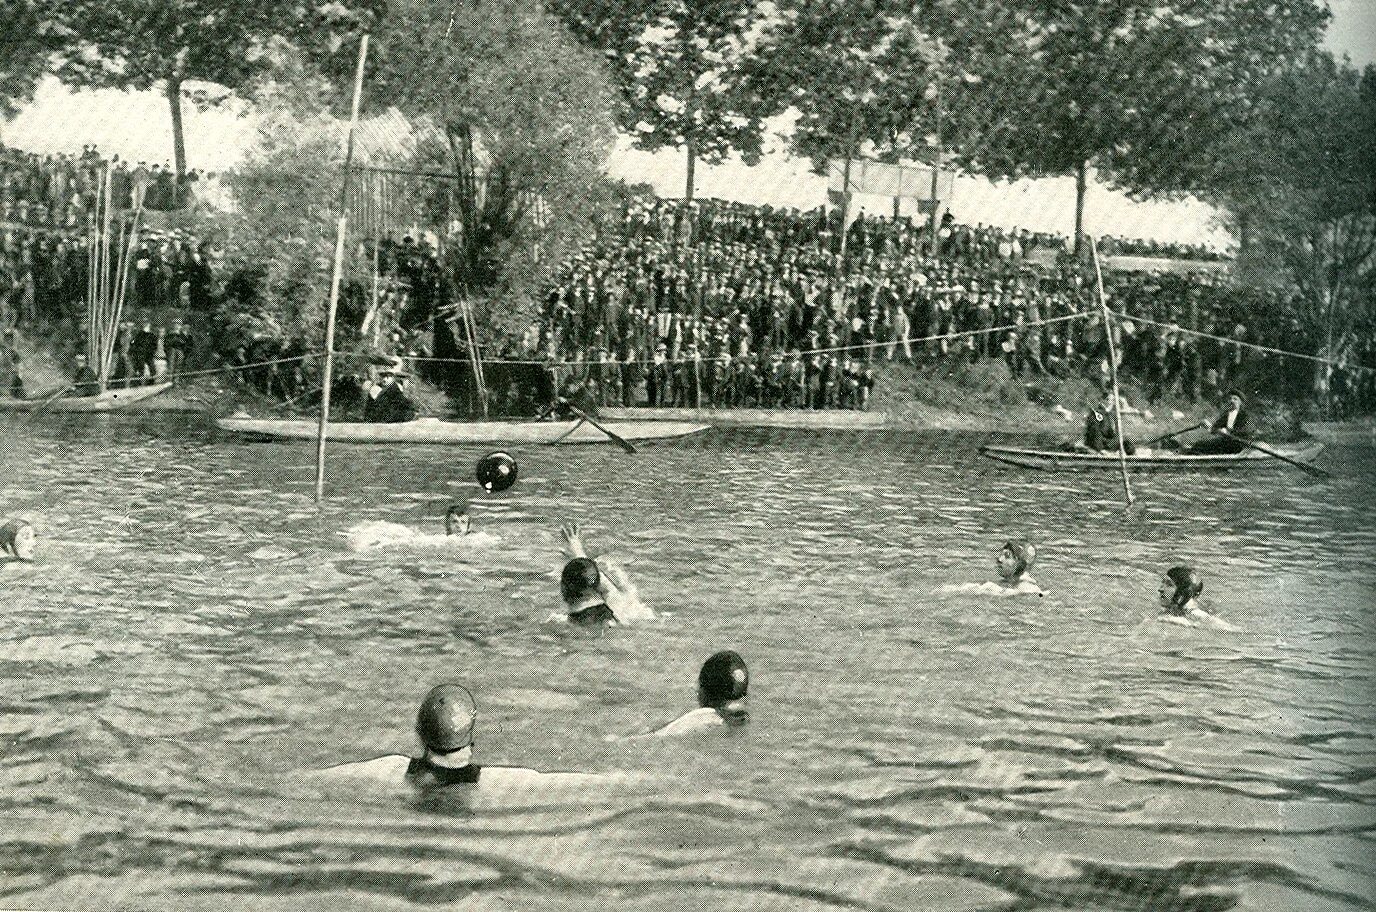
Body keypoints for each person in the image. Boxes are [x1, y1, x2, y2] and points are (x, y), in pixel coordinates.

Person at [317, 684, 602, 786]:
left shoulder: (389, 768)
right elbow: (560, 782)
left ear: (419, 733)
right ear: (471, 737)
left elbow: (321, 777)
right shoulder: (498, 781)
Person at [619, 652, 750, 739]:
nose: (694, 687)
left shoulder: (704, 718)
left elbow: (655, 737)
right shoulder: (742, 719)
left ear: (705, 690)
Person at [552, 521, 651, 626]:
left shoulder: (558, 624)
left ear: (563, 590)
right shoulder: (624, 612)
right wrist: (578, 552)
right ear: (598, 588)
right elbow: (606, 589)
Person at [1158, 566, 1236, 630]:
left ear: (1182, 591)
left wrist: (1187, 624)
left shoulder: (1196, 614)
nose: (1160, 589)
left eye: (1169, 585)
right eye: (1163, 583)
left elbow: (1232, 629)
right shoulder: (1174, 610)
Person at [1184, 389, 1249, 455]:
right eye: (1230, 399)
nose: (1232, 401)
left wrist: (1227, 431)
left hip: (1237, 444)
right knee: (1198, 445)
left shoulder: (1245, 416)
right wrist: (1207, 424)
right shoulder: (1226, 414)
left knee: (1202, 447)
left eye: (1235, 399)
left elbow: (1244, 432)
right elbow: (1215, 428)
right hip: (1225, 442)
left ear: (1240, 402)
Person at [363, 358, 418, 423]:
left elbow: (401, 401)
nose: (384, 379)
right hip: (380, 415)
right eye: (383, 376)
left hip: (382, 414)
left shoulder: (393, 387)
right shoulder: (377, 388)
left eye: (388, 376)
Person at [1081, 389, 1135, 454]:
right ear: (1102, 401)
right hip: (1099, 445)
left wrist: (1120, 446)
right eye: (1108, 400)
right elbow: (1095, 433)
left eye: (1113, 400)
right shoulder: (1097, 414)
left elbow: (1115, 433)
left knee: (1128, 445)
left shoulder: (1111, 415)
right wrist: (1100, 450)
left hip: (1109, 443)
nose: (1110, 403)